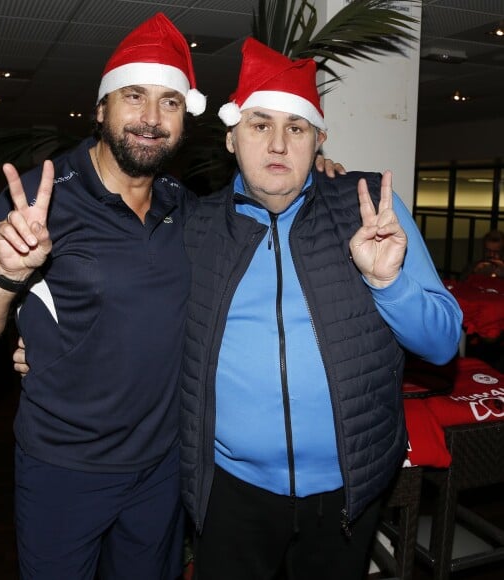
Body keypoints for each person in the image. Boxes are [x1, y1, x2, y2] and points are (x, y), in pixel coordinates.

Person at [0, 14, 341, 580]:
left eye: (170, 102)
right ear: (102, 109)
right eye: (135, 96)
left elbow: (266, 195)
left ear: (187, 119)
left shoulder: (189, 206)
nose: (151, 119)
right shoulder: (40, 197)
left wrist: (318, 176)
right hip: (65, 468)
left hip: (163, 469)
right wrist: (7, 278)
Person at [178, 38, 463, 580]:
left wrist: (389, 283)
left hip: (346, 490)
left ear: (319, 141)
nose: (279, 143)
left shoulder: (370, 207)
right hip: (229, 492)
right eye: (260, 124)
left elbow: (444, 342)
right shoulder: (194, 228)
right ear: (232, 137)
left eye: (297, 128)